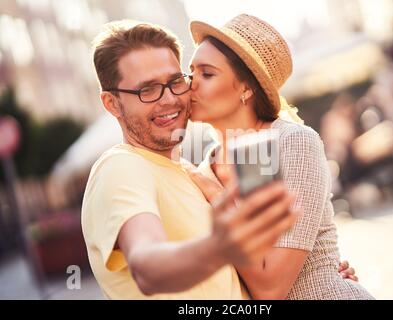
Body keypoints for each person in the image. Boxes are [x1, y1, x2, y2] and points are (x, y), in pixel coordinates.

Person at [81, 20, 297, 299]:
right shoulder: (121, 168)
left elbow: (259, 279)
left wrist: (313, 271)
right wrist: (217, 247)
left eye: (175, 82)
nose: (169, 99)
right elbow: (147, 265)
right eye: (147, 90)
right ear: (112, 103)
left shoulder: (195, 172)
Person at [187, 14, 374, 299]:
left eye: (207, 74)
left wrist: (216, 195)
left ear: (246, 88)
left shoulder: (291, 142)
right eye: (191, 73)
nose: (191, 85)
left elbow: (271, 288)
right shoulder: (203, 169)